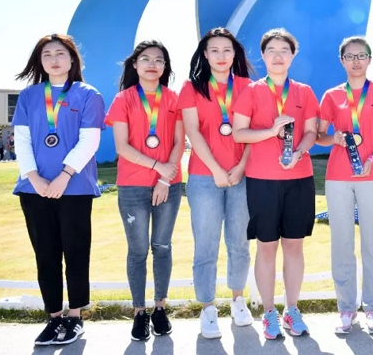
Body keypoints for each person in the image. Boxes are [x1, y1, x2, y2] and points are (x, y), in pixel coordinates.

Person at [12, 34, 105, 346]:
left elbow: (90, 140)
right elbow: (22, 140)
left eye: (60, 53)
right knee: (46, 254)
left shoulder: (88, 94)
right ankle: (53, 318)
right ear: (39, 61)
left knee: (76, 252)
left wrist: (65, 176)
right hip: (34, 189)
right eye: (47, 54)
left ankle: (75, 317)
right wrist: (34, 178)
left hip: (75, 187)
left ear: (72, 58)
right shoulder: (29, 96)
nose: (54, 59)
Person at [232, 28, 319, 340]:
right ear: (263, 55)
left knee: (294, 246)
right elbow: (239, 133)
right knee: (266, 247)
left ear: (293, 56)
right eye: (272, 50)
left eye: (284, 50)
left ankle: (292, 309)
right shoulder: (250, 91)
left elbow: (311, 132)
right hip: (262, 181)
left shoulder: (304, 92)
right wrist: (270, 132)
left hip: (299, 179)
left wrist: (298, 153)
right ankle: (269, 312)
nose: (278, 55)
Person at [316, 36, 373, 334]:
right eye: (350, 56)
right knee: (342, 243)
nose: (356, 61)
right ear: (342, 61)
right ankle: (346, 309)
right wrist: (334, 138)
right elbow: (318, 136)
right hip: (339, 177)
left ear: (369, 60)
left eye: (361, 56)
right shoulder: (331, 96)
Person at [178, 28, 255, 338]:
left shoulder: (249, 87)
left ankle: (238, 301)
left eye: (227, 50)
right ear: (205, 55)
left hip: (242, 175)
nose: (221, 56)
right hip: (203, 176)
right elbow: (192, 132)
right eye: (214, 50)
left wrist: (241, 166)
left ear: (235, 54)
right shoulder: (191, 88)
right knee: (206, 244)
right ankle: (208, 308)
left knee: (239, 243)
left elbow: (255, 131)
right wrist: (216, 170)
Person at [105, 40, 185, 340]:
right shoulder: (123, 99)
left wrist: (164, 179)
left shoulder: (174, 98)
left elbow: (179, 143)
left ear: (165, 67)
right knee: (138, 250)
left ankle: (160, 308)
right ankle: (139, 312)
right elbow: (122, 147)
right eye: (146, 59)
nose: (152, 64)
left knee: (162, 247)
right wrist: (156, 167)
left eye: (159, 60)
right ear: (135, 65)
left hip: (169, 185)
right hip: (132, 186)